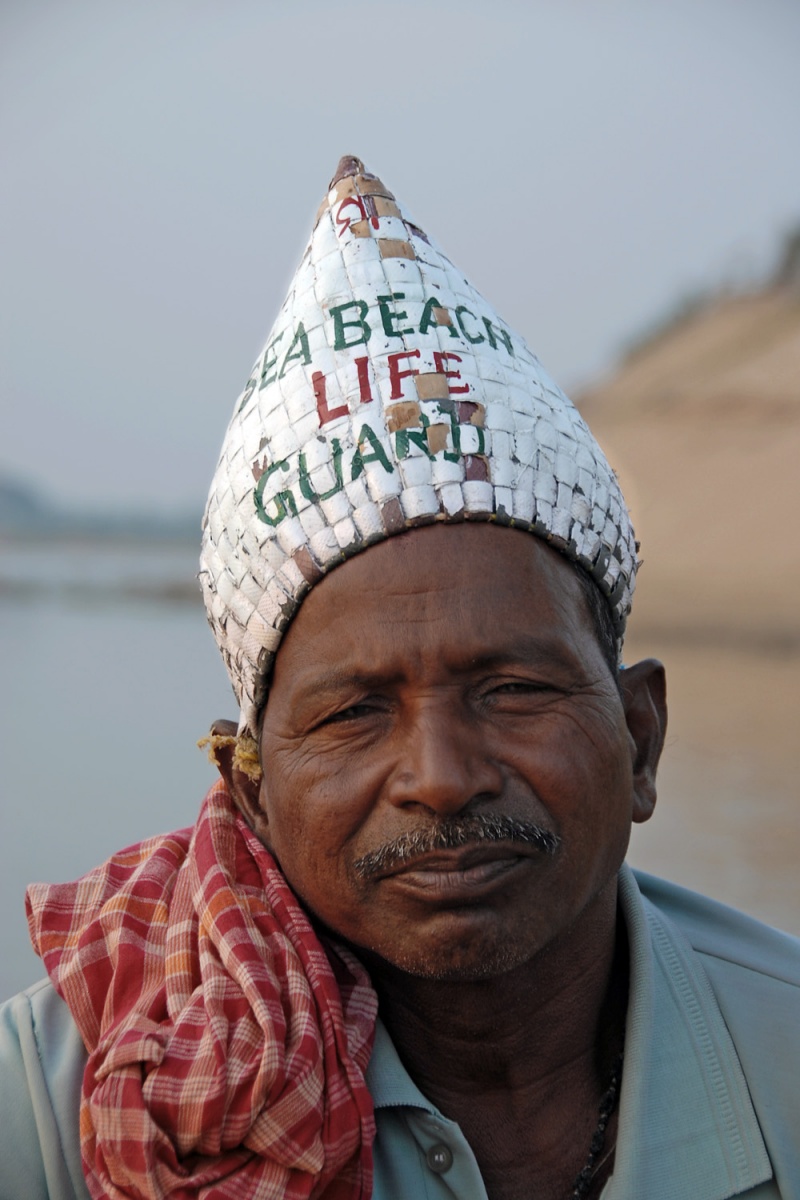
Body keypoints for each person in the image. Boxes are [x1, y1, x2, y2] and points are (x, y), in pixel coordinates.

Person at [1, 156, 798, 1200]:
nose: (440, 775)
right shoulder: (66, 1103)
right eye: (354, 711)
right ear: (252, 795)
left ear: (639, 737)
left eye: (512, 689)